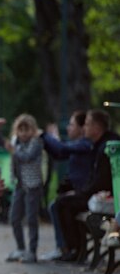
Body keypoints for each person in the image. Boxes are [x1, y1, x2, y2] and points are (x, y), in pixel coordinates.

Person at [54, 109, 120, 261]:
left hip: (108, 197)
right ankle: (74, 249)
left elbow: (102, 181)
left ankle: (74, 250)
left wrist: (81, 193)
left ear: (97, 128)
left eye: (88, 124)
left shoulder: (108, 146)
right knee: (62, 202)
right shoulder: (100, 144)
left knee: (63, 204)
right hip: (99, 194)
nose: (84, 128)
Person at [38, 111, 94, 261]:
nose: (68, 128)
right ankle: (66, 248)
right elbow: (59, 154)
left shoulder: (85, 144)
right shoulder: (80, 145)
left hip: (83, 193)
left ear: (82, 128)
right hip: (77, 191)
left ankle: (64, 248)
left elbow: (62, 149)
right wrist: (46, 142)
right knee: (56, 205)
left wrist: (43, 135)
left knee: (56, 205)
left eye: (71, 124)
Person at [0, 114, 44, 263]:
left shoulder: (36, 143)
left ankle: (32, 251)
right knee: (14, 218)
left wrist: (13, 150)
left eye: (26, 129)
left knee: (31, 219)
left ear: (33, 130)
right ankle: (21, 248)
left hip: (33, 186)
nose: (23, 133)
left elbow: (27, 157)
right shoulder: (15, 142)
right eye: (20, 130)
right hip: (19, 185)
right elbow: (0, 143)